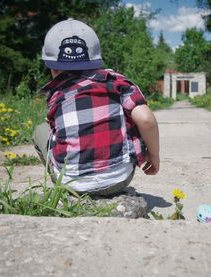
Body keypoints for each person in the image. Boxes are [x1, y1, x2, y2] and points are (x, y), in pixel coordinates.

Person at [33, 18, 160, 196]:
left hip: (72, 184)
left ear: (52, 67)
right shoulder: (115, 82)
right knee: (126, 115)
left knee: (40, 129)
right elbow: (146, 120)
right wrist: (154, 155)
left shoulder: (56, 93)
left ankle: (64, 182)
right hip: (119, 178)